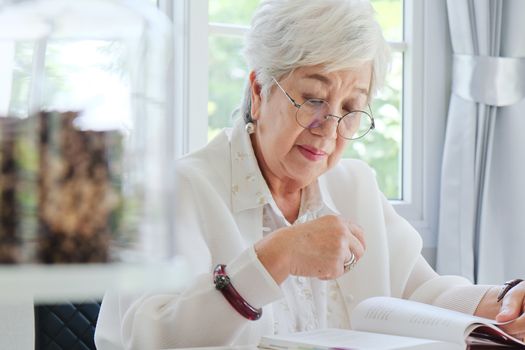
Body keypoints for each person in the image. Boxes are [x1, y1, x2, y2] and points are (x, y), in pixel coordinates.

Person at [95, 0, 525, 348]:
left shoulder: (355, 185)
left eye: (351, 108)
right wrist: (276, 256)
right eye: (313, 99)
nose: (330, 128)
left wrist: (504, 302)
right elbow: (147, 336)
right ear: (260, 91)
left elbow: (422, 293)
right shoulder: (173, 190)